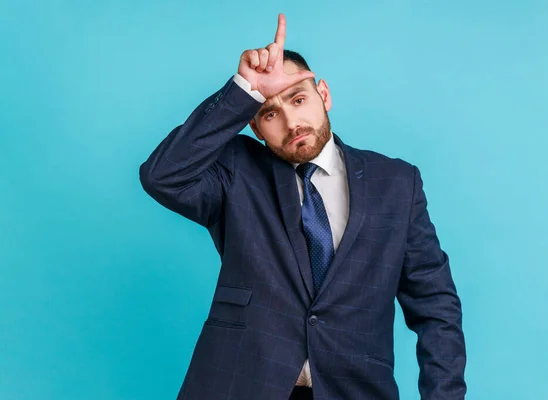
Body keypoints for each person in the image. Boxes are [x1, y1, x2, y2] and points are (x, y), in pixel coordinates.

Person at [139, 13, 466, 400]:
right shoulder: (236, 170)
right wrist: (245, 91)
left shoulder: (396, 182)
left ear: (323, 95)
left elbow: (435, 303)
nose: (292, 122)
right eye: (271, 113)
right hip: (239, 386)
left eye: (298, 99)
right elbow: (161, 176)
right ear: (256, 129)